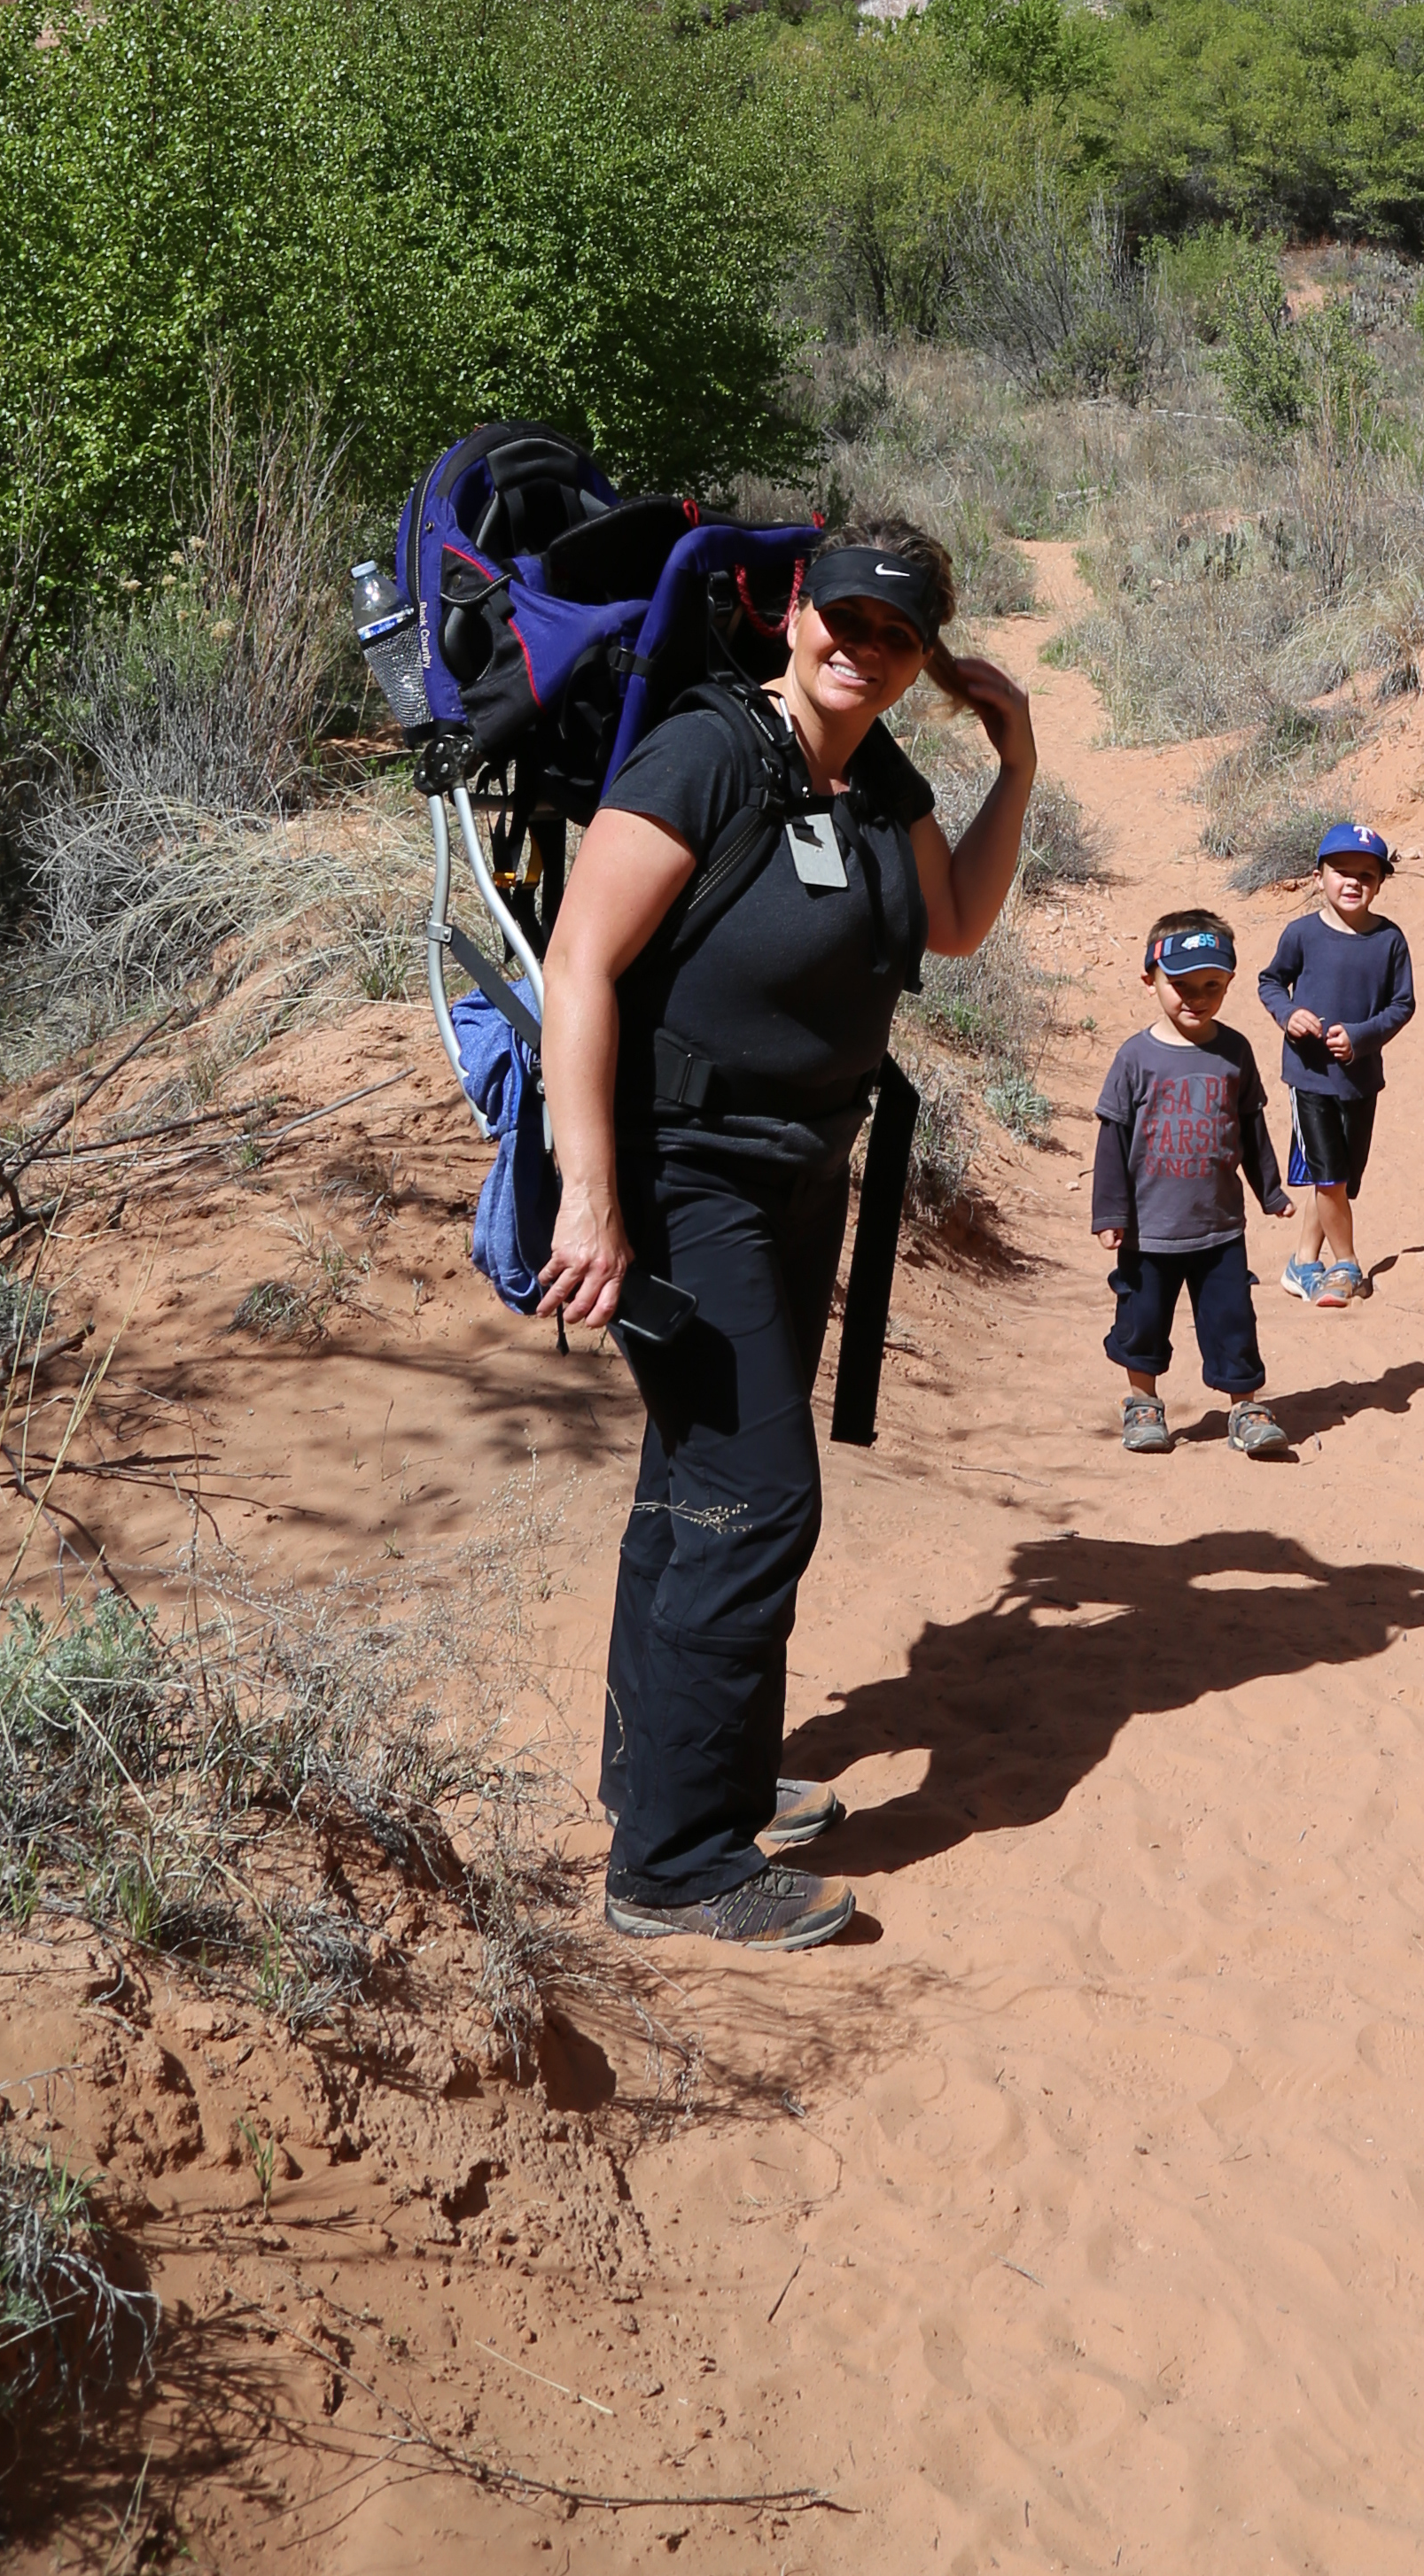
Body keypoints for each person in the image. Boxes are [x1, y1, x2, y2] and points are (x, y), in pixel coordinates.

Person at [535, 518, 1037, 1951]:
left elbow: (951, 925)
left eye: (894, 637)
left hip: (801, 1179)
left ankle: (682, 1775)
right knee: (755, 1497)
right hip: (684, 1175)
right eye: (842, 617)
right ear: (792, 610)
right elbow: (581, 958)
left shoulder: (877, 772)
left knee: (695, 1483)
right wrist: (590, 1191)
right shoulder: (706, 750)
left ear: (918, 660)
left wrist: (1014, 765)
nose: (857, 648)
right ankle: (677, 1862)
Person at [1093, 909, 1294, 1457]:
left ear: (1229, 982)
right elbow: (1112, 1142)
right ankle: (1142, 1404)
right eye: (1180, 985)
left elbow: (1250, 1128)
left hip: (1220, 1226)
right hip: (1148, 1229)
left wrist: (1270, 1192)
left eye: (1212, 985)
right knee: (1142, 1322)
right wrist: (1110, 1215)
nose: (1196, 997)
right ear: (1150, 980)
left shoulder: (1234, 1053)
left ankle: (1245, 1408)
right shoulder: (1135, 1058)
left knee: (1232, 1320)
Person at [1259, 825, 1414, 1310]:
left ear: (1381, 882)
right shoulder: (1301, 934)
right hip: (1309, 1077)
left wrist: (1362, 1037)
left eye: (1366, 874)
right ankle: (1345, 1265)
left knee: (1342, 1178)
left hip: (1361, 1079)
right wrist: (1289, 1015)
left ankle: (1304, 1262)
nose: (1352, 882)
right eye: (1341, 872)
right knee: (1328, 1176)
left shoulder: (1390, 940)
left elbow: (1402, 1005)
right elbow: (1270, 983)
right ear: (1317, 875)